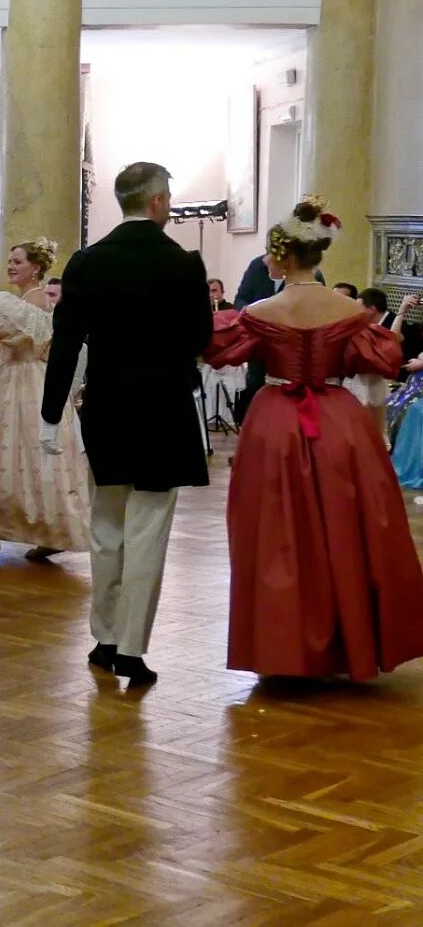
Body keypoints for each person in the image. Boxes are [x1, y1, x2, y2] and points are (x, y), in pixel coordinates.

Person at [205, 199, 423, 680]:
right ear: (318, 253)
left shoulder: (262, 310)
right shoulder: (349, 309)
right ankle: (349, 641)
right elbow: (380, 360)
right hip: (339, 422)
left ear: (283, 257)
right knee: (346, 526)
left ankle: (283, 644)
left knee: (277, 530)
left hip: (274, 421)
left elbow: (219, 347)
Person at [41, 162, 211, 689]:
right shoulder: (183, 264)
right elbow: (201, 337)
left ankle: (105, 638)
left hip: (108, 409)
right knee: (149, 531)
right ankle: (132, 650)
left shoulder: (88, 262)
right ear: (159, 202)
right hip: (164, 411)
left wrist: (51, 415)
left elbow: (65, 342)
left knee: (106, 525)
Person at [0, 238, 92, 561]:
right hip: (13, 379)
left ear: (35, 268)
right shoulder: (23, 302)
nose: (11, 266)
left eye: (18, 261)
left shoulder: (28, 302)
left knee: (16, 456)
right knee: (6, 458)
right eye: (10, 261)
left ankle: (2, 533)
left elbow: (7, 332)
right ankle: (0, 532)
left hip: (23, 381)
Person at [232, 252, 323, 423]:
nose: (265, 259)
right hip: (260, 343)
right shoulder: (256, 267)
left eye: (271, 252)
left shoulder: (313, 281)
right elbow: (241, 298)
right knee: (255, 384)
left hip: (294, 351)